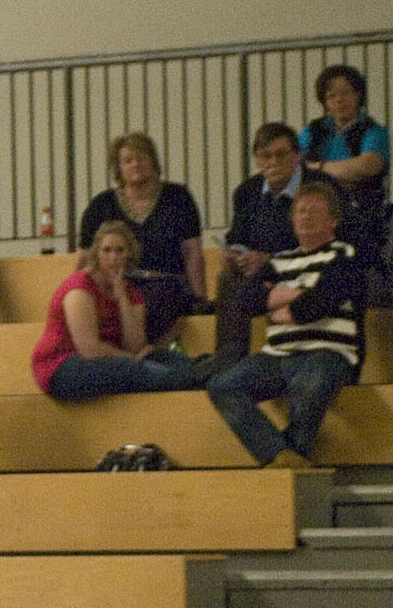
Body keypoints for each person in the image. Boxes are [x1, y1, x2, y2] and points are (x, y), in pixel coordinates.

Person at [206, 180, 365, 468]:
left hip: (327, 353)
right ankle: (281, 454)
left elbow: (318, 303)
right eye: (300, 211)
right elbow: (247, 301)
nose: (304, 217)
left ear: (333, 220)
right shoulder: (279, 261)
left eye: (314, 212)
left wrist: (277, 306)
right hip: (277, 356)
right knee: (223, 385)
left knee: (309, 387)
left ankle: (290, 459)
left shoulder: (344, 255)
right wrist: (299, 295)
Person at [208, 122, 335, 369]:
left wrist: (270, 259)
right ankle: (228, 358)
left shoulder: (321, 187)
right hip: (264, 273)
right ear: (257, 160)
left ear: (297, 156)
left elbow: (330, 239)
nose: (273, 162)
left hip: (311, 269)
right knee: (228, 277)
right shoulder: (246, 192)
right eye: (265, 156)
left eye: (280, 154)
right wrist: (234, 254)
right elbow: (238, 237)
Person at [31, 221, 197, 400]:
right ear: (97, 254)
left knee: (163, 357)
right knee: (132, 369)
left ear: (129, 254)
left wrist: (122, 298)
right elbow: (90, 349)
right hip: (63, 364)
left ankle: (201, 371)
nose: (113, 257)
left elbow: (135, 346)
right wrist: (132, 358)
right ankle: (189, 380)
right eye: (107, 250)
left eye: (120, 250)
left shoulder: (132, 291)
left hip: (110, 359)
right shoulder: (80, 287)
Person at [76, 132, 206, 344]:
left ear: (153, 162)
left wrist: (200, 300)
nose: (135, 164)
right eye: (128, 160)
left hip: (166, 286)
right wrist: (75, 294)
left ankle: (143, 353)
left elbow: (193, 253)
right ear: (118, 167)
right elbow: (84, 259)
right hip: (116, 285)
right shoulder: (101, 204)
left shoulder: (178, 197)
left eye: (142, 158)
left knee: (149, 302)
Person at [300, 64, 389, 256]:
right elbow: (296, 163)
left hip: (360, 210)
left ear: (358, 95)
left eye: (346, 93)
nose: (339, 100)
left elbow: (368, 165)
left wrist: (318, 167)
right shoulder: (314, 130)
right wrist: (344, 171)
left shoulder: (373, 130)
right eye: (332, 95)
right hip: (316, 206)